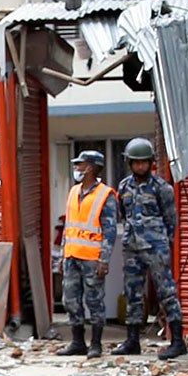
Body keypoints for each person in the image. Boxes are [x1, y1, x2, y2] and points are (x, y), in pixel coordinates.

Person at [112, 137, 187, 360]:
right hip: (132, 247)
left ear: (150, 162)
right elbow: (123, 214)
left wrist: (164, 244)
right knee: (132, 293)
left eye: (144, 162)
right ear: (129, 163)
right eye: (136, 163)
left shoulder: (161, 188)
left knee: (166, 292)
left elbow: (171, 220)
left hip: (156, 247)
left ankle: (177, 341)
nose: (140, 166)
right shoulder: (124, 186)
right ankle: (132, 340)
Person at [53, 150, 118, 358]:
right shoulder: (73, 192)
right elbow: (68, 227)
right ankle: (77, 342)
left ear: (90, 168)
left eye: (80, 165)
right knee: (70, 300)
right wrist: (63, 255)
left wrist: (104, 259)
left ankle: (96, 344)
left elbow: (110, 230)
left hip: (92, 258)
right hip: (72, 256)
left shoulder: (105, 195)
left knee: (94, 301)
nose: (77, 169)